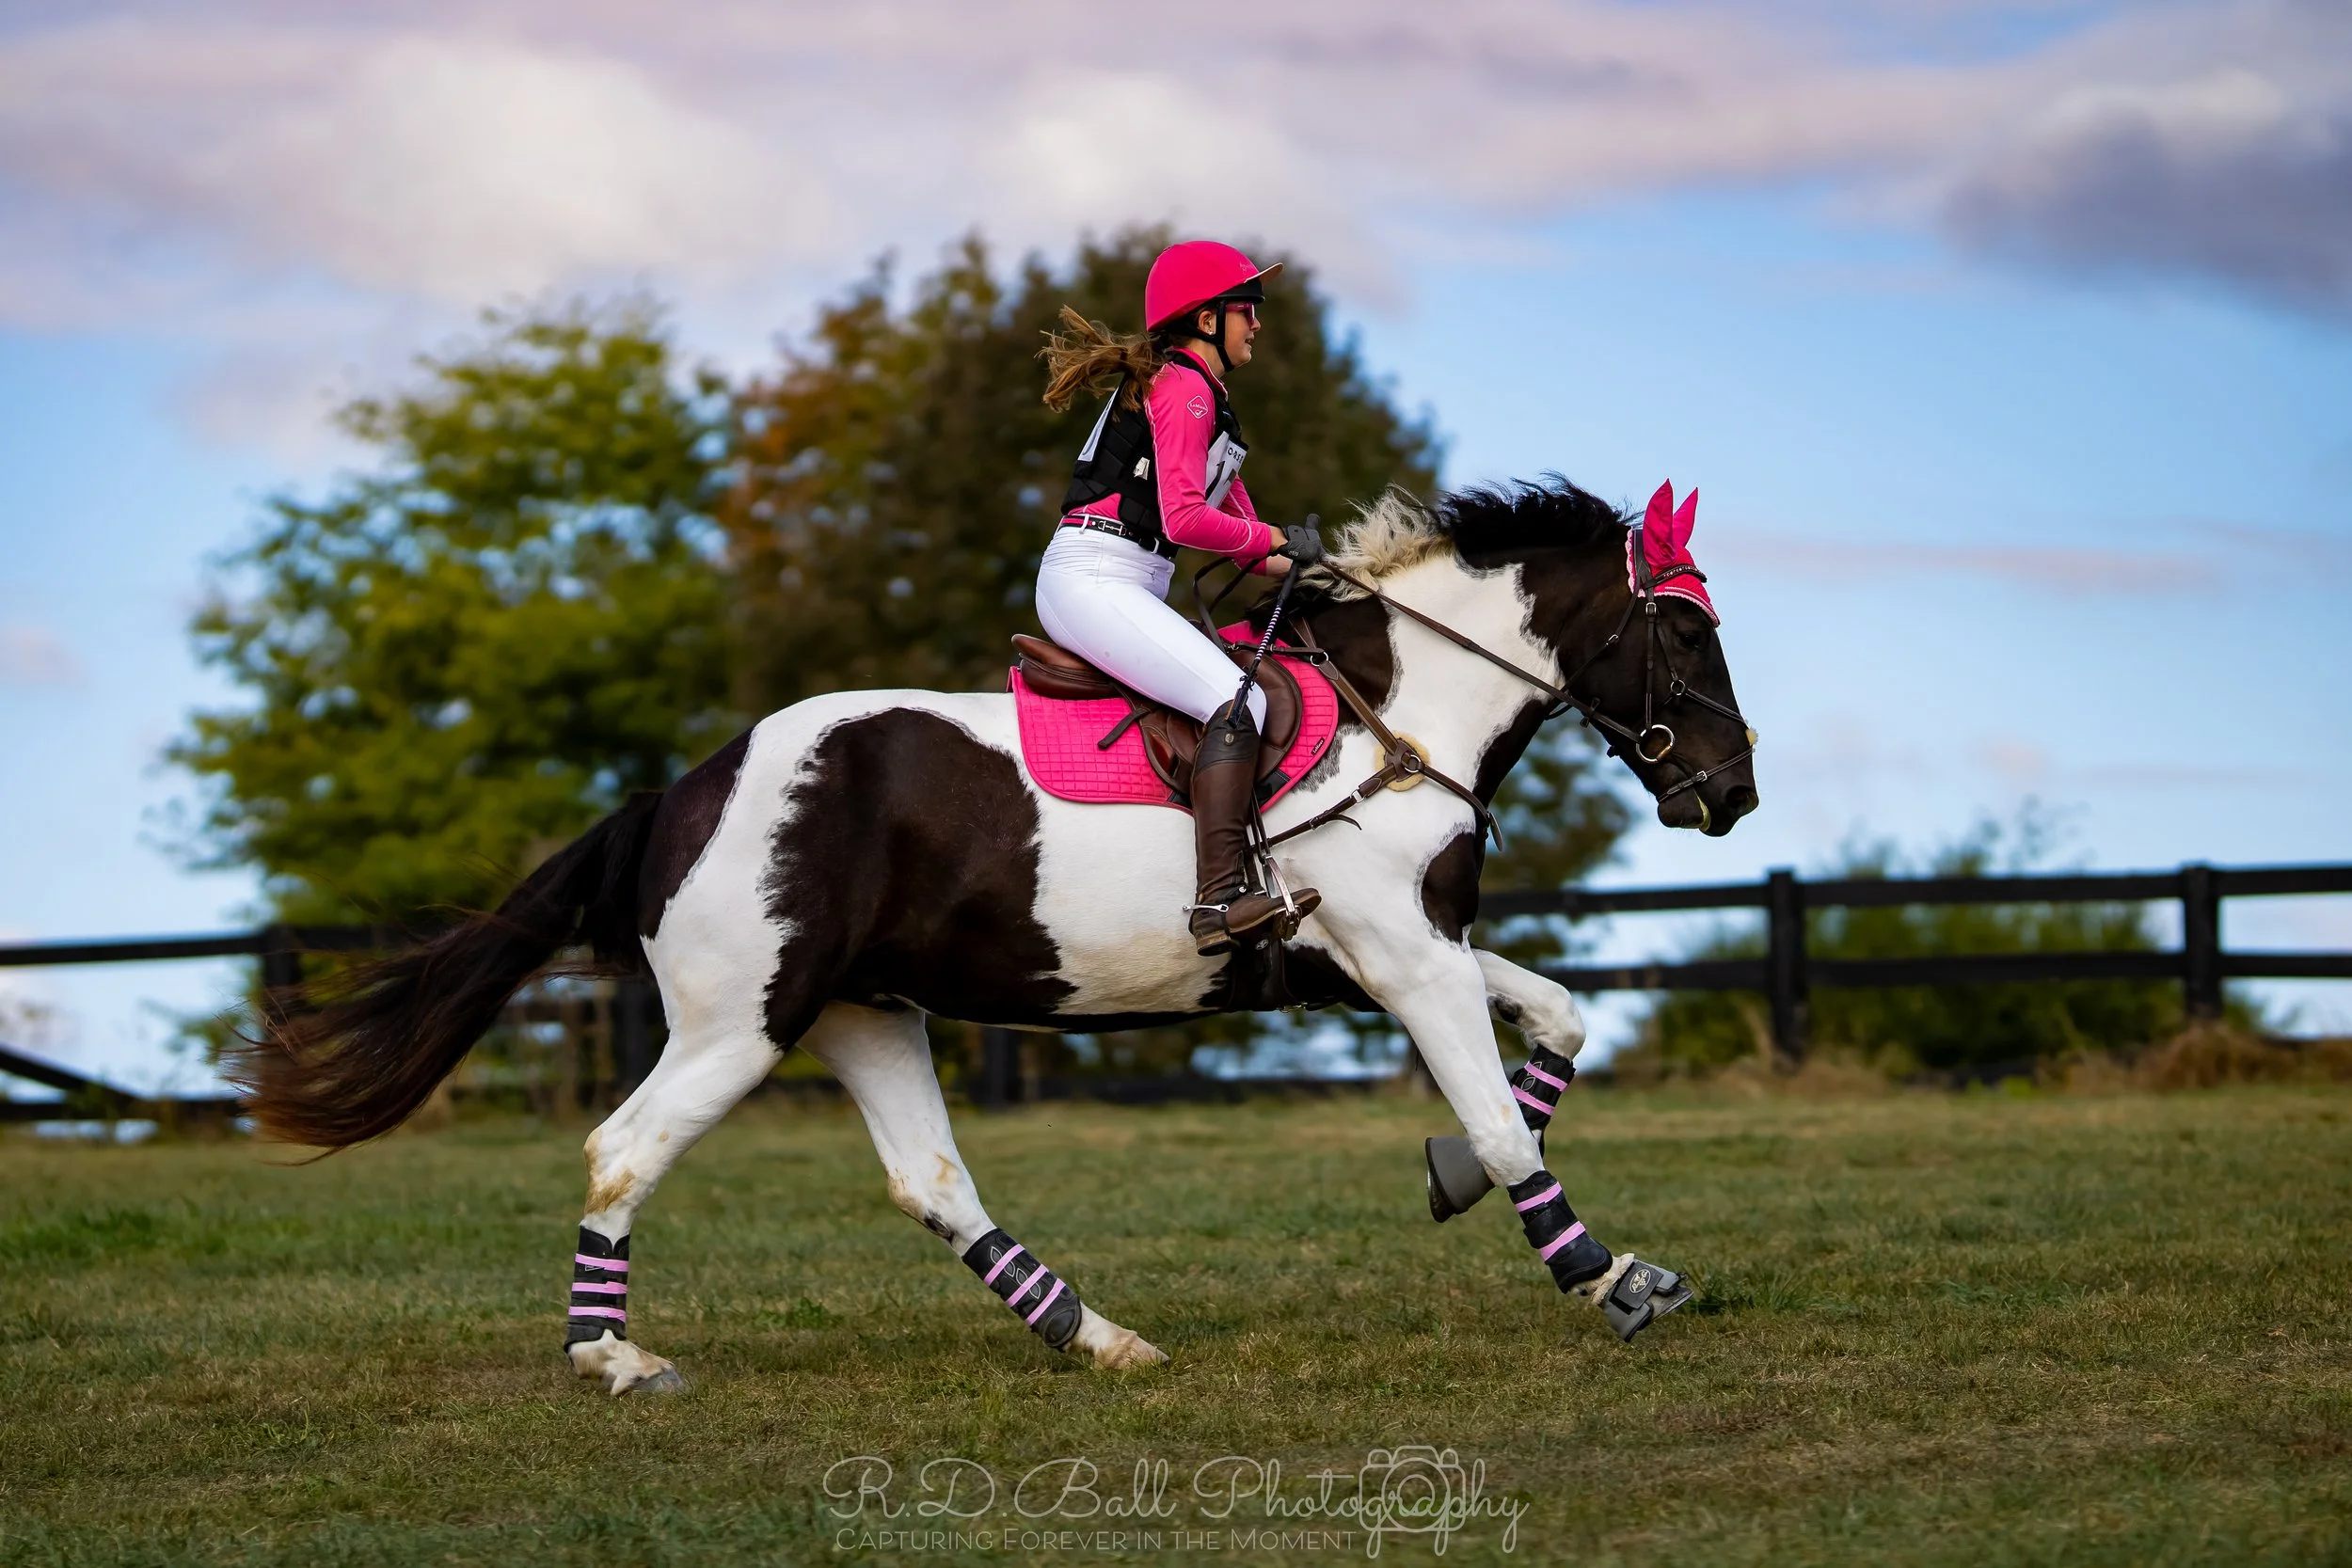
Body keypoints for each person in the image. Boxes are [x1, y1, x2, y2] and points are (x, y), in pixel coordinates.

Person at [1038, 241, 1326, 956]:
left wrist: (1296, 553)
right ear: (1206, 319)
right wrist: (1269, 536)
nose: (1257, 323)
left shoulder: (1209, 402)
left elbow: (1244, 536)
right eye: (1246, 309)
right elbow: (1186, 521)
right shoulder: (1186, 389)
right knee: (1239, 701)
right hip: (1096, 573)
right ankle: (1218, 900)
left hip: (1126, 576)